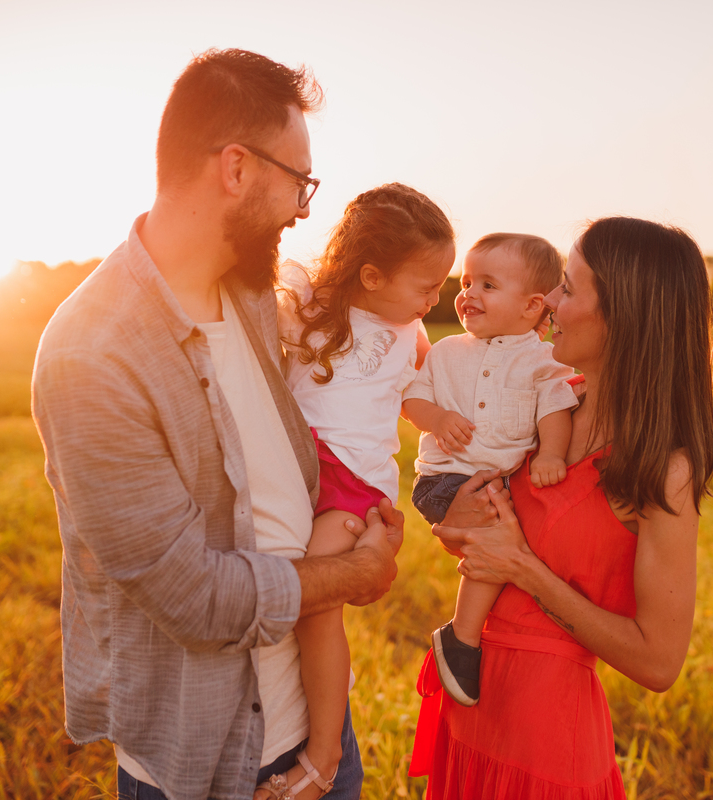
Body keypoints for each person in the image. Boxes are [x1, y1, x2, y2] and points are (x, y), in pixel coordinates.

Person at [31, 49, 403, 800]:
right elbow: (194, 598)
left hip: (319, 740)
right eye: (299, 180)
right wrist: (354, 577)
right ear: (235, 169)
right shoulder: (92, 355)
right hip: (207, 763)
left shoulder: (258, 296)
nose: (305, 207)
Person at [409, 216, 713, 799]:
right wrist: (454, 525)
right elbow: (473, 525)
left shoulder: (662, 470)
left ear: (623, 316)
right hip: (469, 710)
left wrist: (522, 567)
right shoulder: (545, 411)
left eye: (570, 289)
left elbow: (659, 664)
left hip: (544, 741)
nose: (548, 300)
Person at [265, 183, 455, 799]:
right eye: (425, 286)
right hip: (295, 469)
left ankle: (321, 754)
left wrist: (440, 422)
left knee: (315, 606)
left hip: (353, 487)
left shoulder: (411, 337)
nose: (436, 298)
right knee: (294, 589)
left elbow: (416, 400)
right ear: (371, 276)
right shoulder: (307, 303)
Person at [400, 233, 578, 707]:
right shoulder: (446, 352)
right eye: (466, 281)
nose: (468, 293)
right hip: (443, 479)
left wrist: (550, 455)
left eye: (488, 285)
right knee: (498, 535)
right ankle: (463, 636)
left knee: (514, 535)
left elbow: (555, 408)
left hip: (500, 482)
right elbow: (412, 399)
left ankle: (477, 633)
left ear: (532, 305)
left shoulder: (542, 361)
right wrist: (436, 419)